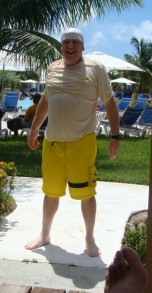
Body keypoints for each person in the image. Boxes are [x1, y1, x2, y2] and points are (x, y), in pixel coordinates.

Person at [25, 28, 120, 257]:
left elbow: (110, 104)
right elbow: (46, 101)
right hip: (53, 144)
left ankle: (89, 238)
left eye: (75, 42)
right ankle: (45, 234)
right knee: (51, 192)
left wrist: (115, 137)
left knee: (86, 193)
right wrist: (34, 129)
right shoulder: (52, 68)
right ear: (61, 46)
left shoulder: (95, 69)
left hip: (81, 143)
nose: (70, 46)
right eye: (66, 42)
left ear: (82, 47)